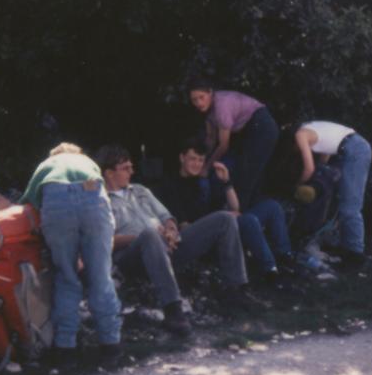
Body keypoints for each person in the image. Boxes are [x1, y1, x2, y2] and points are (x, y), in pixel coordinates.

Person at [95, 145, 257, 336]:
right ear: (108, 173)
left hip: (166, 244)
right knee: (149, 234)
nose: (132, 171)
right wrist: (146, 236)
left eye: (131, 166)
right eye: (125, 168)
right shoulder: (99, 201)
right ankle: (173, 311)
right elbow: (104, 241)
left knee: (225, 219)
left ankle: (237, 289)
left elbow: (166, 216)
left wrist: (171, 229)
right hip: (133, 256)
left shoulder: (139, 190)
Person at [19, 143, 122, 368]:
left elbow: (29, 203)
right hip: (92, 193)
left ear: (54, 155)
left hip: (56, 200)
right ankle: (111, 347)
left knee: (66, 277)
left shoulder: (47, 165)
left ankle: (66, 350)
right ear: (77, 154)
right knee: (101, 277)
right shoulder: (87, 162)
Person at [159, 138, 293, 283]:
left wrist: (226, 182)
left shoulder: (201, 181)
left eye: (200, 160)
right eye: (192, 159)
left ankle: (286, 257)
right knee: (248, 220)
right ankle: (271, 272)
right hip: (200, 235)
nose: (197, 164)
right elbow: (185, 225)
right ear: (182, 157)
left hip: (223, 223)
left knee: (272, 207)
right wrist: (222, 218)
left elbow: (235, 208)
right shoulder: (171, 184)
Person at [187, 78, 279, 209]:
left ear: (210, 93)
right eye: (194, 100)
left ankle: (241, 217)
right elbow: (211, 139)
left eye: (201, 97)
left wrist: (206, 168)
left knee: (246, 175)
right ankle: (250, 212)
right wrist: (201, 159)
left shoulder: (221, 107)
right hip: (250, 130)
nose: (198, 103)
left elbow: (224, 145)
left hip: (262, 127)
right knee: (245, 172)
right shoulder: (208, 111)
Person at [294, 120, 372, 268]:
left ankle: (356, 256)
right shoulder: (312, 129)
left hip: (354, 150)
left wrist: (297, 185)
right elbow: (324, 158)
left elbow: (308, 169)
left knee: (350, 207)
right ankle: (347, 249)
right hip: (352, 147)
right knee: (341, 203)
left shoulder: (300, 135)